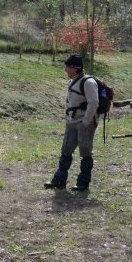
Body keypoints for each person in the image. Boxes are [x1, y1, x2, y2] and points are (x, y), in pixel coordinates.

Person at [45, 54, 99, 191]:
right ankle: (59, 180)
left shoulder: (88, 82)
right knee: (66, 151)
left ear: (75, 68)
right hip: (71, 121)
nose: (65, 70)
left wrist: (86, 122)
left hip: (84, 123)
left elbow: (94, 103)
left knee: (85, 153)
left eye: (67, 67)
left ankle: (83, 183)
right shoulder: (72, 81)